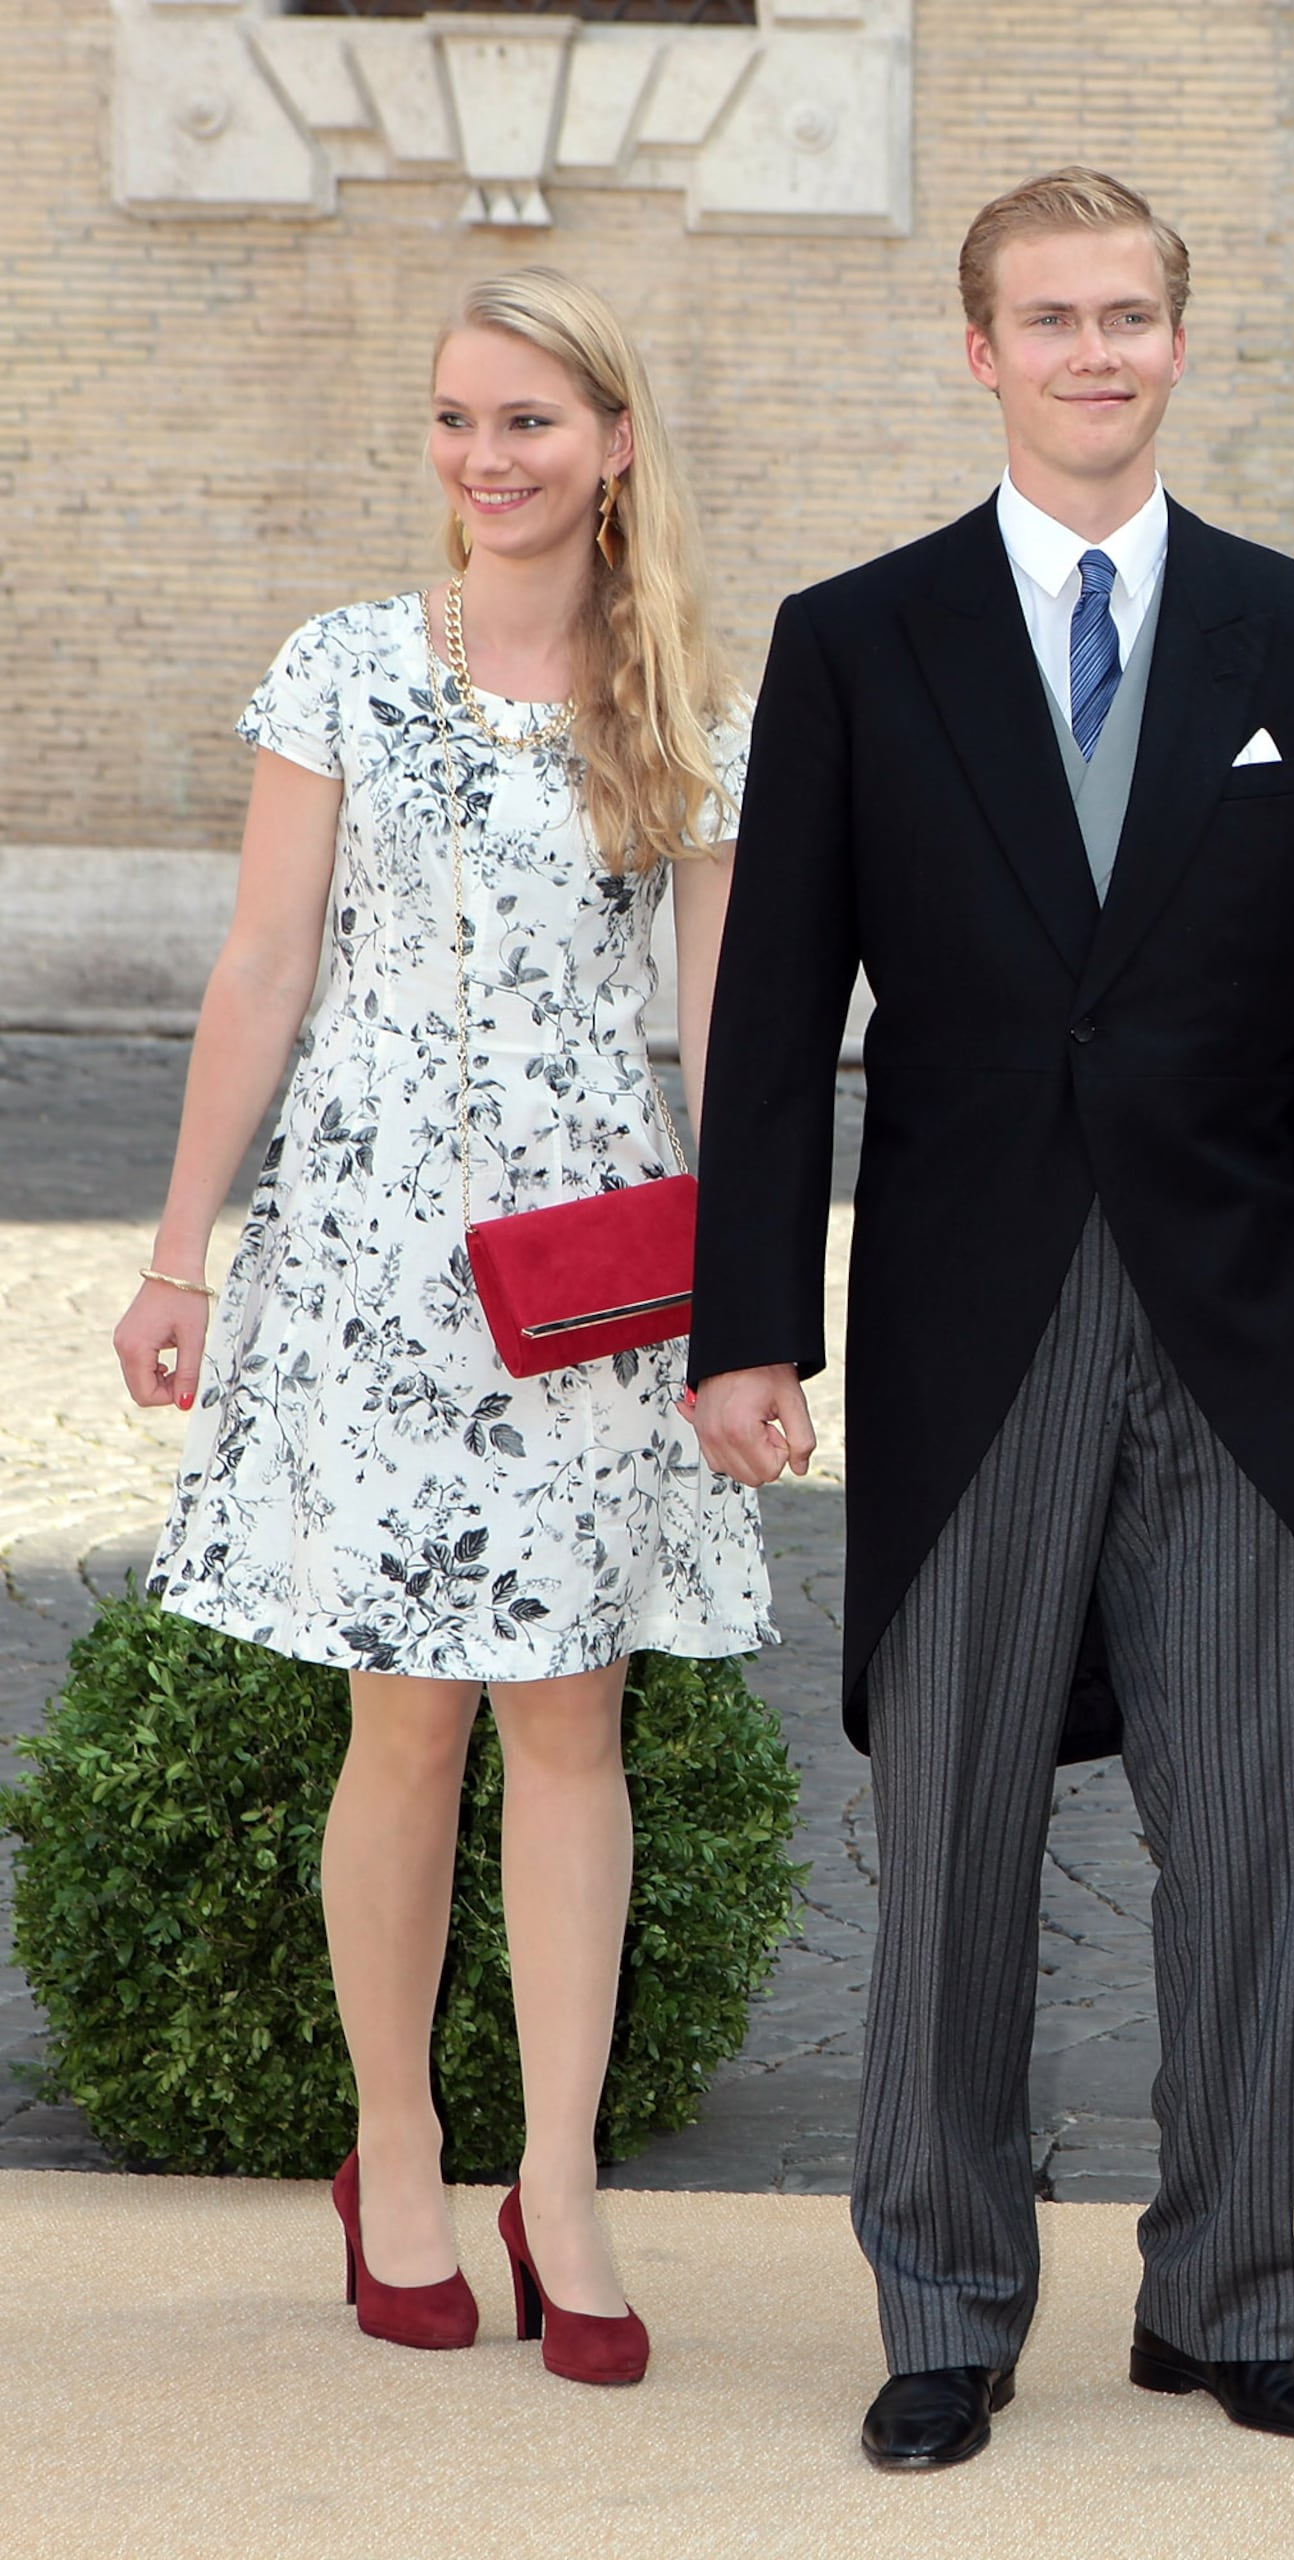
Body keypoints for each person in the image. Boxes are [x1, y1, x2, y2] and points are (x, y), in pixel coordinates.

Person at [687, 168, 1294, 2471]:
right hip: (956, 1315)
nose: (1096, 351)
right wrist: (747, 1325)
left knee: (1244, 1821)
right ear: (978, 346)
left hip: (1239, 1317)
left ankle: (1225, 2292)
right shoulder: (856, 637)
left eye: (1131, 315)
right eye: (1053, 317)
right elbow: (777, 1010)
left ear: (1180, 345)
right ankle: (943, 2296)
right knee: (958, 1834)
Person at [109, 269, 760, 2387]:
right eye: (461, 422)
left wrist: (757, 1315)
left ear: (616, 445)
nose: (490, 460)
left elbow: (726, 1029)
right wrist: (179, 1248)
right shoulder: (341, 670)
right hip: (375, 1262)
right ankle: (396, 2139)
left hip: (593, 1277)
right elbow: (261, 969)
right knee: (406, 1713)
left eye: (533, 424)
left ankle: (556, 2175)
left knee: (573, 1711)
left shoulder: (684, 704)